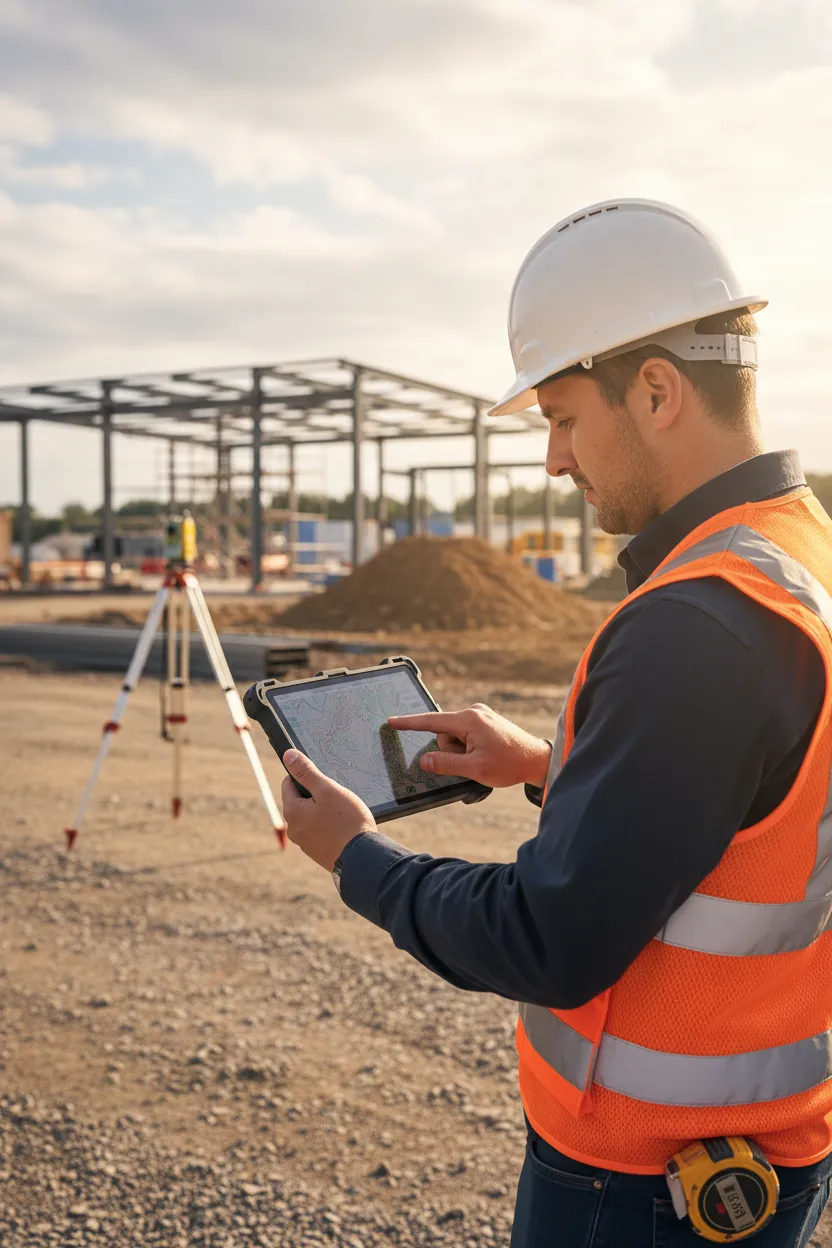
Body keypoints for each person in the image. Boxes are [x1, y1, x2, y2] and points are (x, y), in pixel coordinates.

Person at [279, 199, 832, 1246]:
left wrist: (358, 858)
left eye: (562, 417)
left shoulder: (693, 627)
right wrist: (546, 764)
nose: (553, 460)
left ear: (658, 391)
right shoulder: (797, 551)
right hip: (760, 1149)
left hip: (645, 1184)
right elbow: (761, 803)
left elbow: (551, 938)